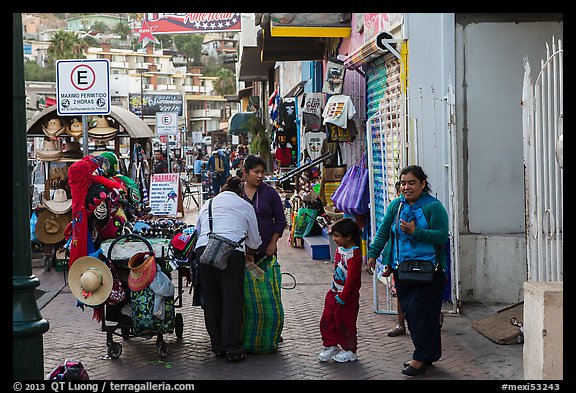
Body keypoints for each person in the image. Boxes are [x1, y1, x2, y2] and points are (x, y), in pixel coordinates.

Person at [366, 165, 449, 376]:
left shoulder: (434, 207)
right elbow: (384, 232)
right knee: (413, 315)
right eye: (403, 183)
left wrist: (416, 231)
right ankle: (429, 354)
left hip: (430, 272)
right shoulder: (397, 206)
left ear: (423, 184)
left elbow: (441, 236)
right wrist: (373, 255)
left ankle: (420, 357)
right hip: (403, 271)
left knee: (423, 315)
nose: (406, 187)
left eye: (411, 183)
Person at [194, 176, 262, 363]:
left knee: (212, 300)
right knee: (232, 301)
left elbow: (199, 231)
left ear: (222, 190)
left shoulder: (207, 204)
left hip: (204, 251)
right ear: (239, 192)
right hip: (232, 252)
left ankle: (217, 347)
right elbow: (254, 240)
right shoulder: (244, 205)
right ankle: (233, 349)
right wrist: (250, 251)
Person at [318, 217, 362, 363]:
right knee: (327, 319)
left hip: (347, 296)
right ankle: (331, 345)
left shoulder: (354, 254)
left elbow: (352, 278)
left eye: (337, 236)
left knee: (345, 322)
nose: (334, 239)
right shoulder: (339, 250)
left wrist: (343, 296)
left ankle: (349, 350)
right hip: (334, 292)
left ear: (348, 237)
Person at [240, 154, 287, 265]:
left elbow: (280, 221)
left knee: (267, 281)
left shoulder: (270, 193)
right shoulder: (237, 193)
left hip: (266, 250)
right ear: (245, 172)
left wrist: (273, 243)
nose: (260, 176)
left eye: (262, 172)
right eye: (256, 172)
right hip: (241, 252)